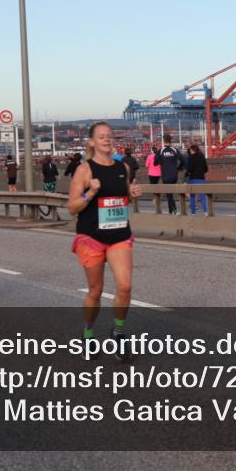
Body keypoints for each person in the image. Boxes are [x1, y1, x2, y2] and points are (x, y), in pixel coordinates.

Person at [67, 121, 142, 361]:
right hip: (91, 237)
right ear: (92, 142)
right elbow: (72, 207)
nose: (107, 140)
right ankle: (88, 333)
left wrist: (131, 194)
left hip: (119, 234)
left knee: (125, 286)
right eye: (101, 137)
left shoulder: (123, 168)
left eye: (109, 136)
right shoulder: (84, 170)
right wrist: (90, 192)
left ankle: (118, 333)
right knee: (95, 291)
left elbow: (121, 201)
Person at [157, 135, 184, 214]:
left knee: (168, 193)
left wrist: (162, 162)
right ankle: (171, 210)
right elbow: (182, 160)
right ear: (170, 141)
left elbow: (155, 162)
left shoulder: (161, 151)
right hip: (174, 175)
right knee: (170, 193)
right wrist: (179, 168)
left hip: (165, 175)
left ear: (163, 140)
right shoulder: (174, 150)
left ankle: (173, 209)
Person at [184, 145, 209, 215]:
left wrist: (187, 173)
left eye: (190, 150)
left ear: (192, 150)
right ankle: (205, 211)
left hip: (193, 179)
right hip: (201, 178)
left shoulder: (191, 158)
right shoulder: (202, 157)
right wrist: (200, 172)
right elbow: (206, 169)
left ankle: (193, 213)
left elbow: (190, 169)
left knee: (192, 196)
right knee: (202, 195)